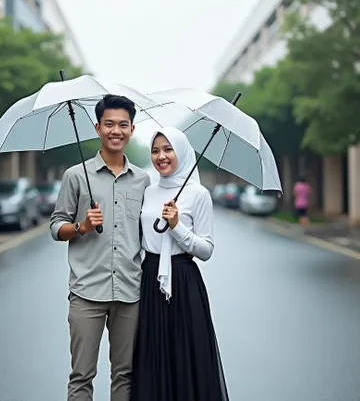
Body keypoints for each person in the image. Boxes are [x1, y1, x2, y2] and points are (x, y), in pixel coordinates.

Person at [50, 94, 151, 401]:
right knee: (81, 376)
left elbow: (149, 237)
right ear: (97, 128)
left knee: (126, 375)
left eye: (123, 124)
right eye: (109, 124)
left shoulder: (144, 181)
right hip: (86, 293)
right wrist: (82, 226)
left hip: (130, 292)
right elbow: (56, 227)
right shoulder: (76, 176)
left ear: (132, 130)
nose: (115, 131)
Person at [130, 127, 230, 401]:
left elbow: (206, 250)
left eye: (167, 149)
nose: (161, 156)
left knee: (186, 355)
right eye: (155, 150)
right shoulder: (148, 192)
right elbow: (140, 239)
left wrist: (177, 228)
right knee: (151, 354)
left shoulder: (198, 194)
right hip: (150, 279)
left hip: (184, 282)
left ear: (182, 152)